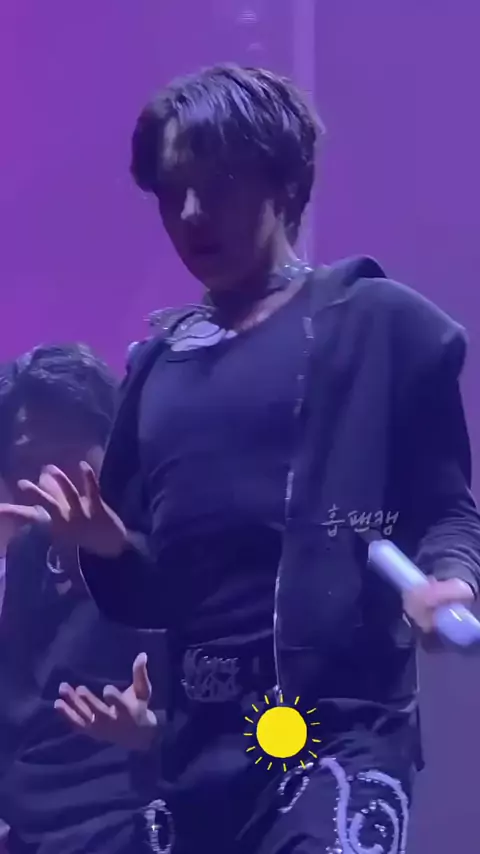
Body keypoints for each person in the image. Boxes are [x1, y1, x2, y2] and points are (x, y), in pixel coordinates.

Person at [5, 65, 480, 854]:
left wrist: (453, 580)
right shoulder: (157, 370)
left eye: (217, 184)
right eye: (171, 194)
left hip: (335, 738)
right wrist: (108, 547)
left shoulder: (375, 325)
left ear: (284, 180)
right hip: (199, 757)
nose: (191, 214)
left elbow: (447, 506)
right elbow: (156, 593)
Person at [0, 345, 165, 854]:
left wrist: (153, 732)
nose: (46, 484)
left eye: (63, 457)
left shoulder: (168, 537)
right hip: (34, 829)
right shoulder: (28, 555)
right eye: (27, 464)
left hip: (134, 821)